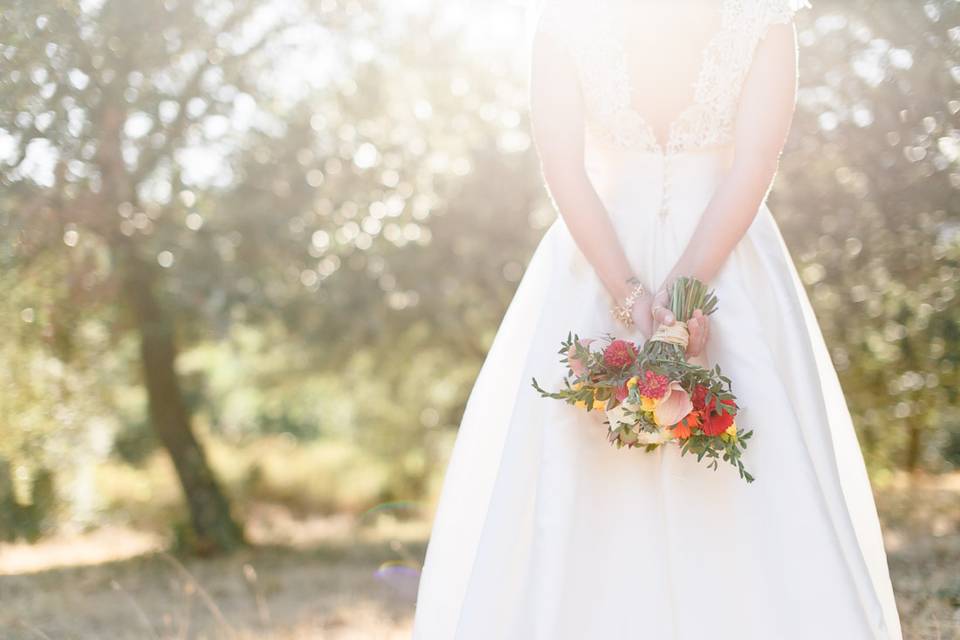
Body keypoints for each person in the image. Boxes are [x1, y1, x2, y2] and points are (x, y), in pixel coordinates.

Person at [411, 1, 903, 638]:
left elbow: (566, 167)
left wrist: (633, 296)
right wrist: (676, 293)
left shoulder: (577, 19)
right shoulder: (762, 18)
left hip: (621, 254)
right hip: (706, 254)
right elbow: (752, 162)